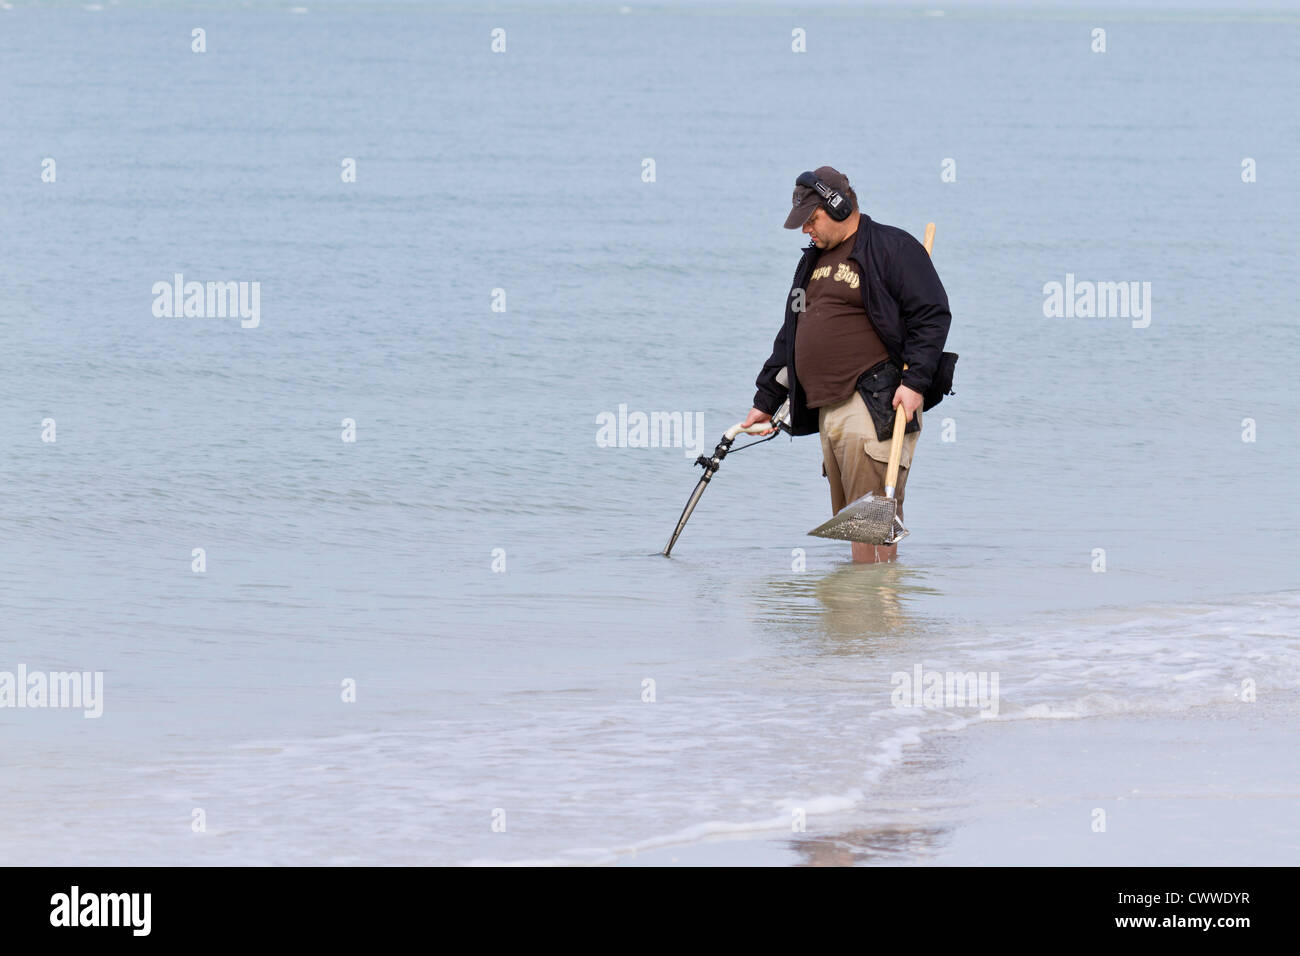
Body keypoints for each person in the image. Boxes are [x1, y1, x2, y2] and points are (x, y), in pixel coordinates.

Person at [742, 167, 953, 563]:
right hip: (829, 408)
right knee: (854, 523)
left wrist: (916, 382)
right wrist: (767, 398)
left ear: (838, 206)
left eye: (811, 219)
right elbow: (791, 334)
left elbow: (932, 316)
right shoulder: (812, 263)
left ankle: (878, 615)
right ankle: (859, 618)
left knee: (872, 522)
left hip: (875, 402)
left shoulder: (892, 248)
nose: (806, 229)